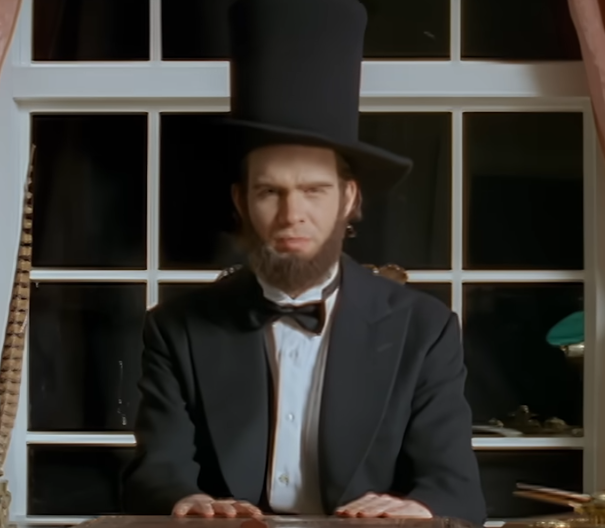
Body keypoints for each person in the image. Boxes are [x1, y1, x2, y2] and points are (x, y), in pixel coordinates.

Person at [121, 0, 486, 524]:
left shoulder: (425, 330)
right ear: (241, 201)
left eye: (314, 190)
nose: (292, 214)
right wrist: (184, 500)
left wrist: (418, 508)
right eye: (270, 191)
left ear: (348, 198)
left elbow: (456, 489)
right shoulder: (175, 329)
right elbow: (156, 472)